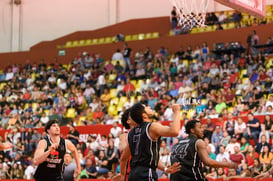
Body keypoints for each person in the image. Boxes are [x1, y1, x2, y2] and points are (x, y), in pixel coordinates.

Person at [114, 103, 181, 181]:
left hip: (133, 175)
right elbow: (174, 131)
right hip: (146, 173)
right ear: (144, 115)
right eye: (146, 107)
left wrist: (122, 175)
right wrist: (176, 112)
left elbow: (123, 158)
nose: (149, 107)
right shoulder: (152, 126)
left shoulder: (131, 133)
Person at [170, 120, 237, 181]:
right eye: (200, 128)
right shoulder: (198, 142)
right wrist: (229, 165)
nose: (203, 130)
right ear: (192, 130)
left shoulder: (178, 144)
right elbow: (208, 162)